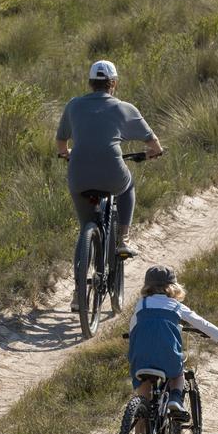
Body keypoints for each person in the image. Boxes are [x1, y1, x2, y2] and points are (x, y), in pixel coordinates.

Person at [57, 60, 163, 311]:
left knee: (85, 227)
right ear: (113, 83)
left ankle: (77, 292)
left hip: (79, 175)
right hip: (112, 173)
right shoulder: (124, 108)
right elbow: (154, 145)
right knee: (127, 186)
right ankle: (123, 237)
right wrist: (149, 154)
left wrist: (68, 153)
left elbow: (61, 142)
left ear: (90, 83)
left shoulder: (74, 105)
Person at [127, 265, 218, 422]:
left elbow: (133, 327)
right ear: (173, 287)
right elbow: (199, 322)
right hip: (167, 356)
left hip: (140, 357)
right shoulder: (175, 305)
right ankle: (175, 398)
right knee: (177, 374)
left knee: (144, 392)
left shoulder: (142, 304)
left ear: (147, 286)